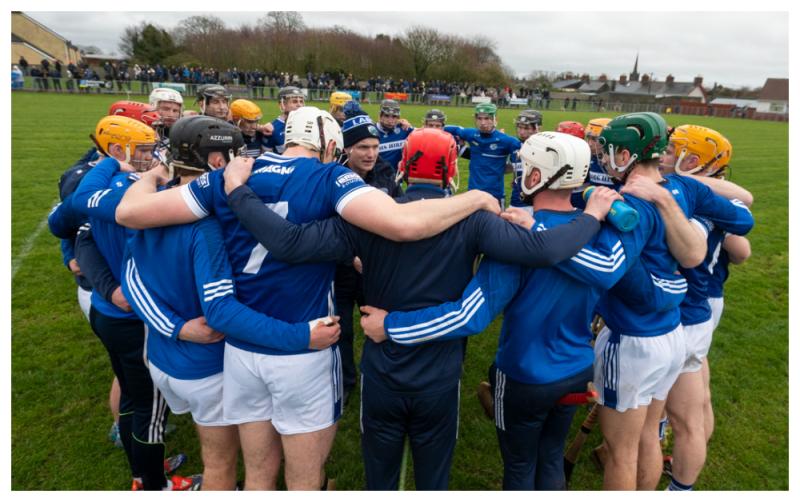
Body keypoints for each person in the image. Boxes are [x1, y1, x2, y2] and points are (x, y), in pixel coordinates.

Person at [114, 106, 502, 490]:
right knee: (304, 481)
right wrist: (475, 199)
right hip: (304, 346)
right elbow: (405, 224)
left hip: (241, 346)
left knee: (259, 476)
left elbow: (129, 213)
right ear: (331, 145)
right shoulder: (330, 176)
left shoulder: (234, 173)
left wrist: (151, 176)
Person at [220, 127, 616, 490]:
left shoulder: (365, 218)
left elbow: (290, 242)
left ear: (405, 165)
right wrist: (592, 216)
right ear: (450, 172)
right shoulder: (475, 221)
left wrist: (238, 191)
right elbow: (544, 250)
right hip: (439, 374)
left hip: (383, 371)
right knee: (432, 481)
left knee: (380, 478)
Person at [361, 132, 635, 490]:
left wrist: (392, 325)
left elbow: (469, 316)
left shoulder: (514, 233)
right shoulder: (599, 229)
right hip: (577, 367)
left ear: (535, 177)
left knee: (520, 466)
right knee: (551, 457)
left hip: (525, 373)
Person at [120, 115, 340, 490]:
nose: (247, 161)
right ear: (219, 163)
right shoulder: (209, 228)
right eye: (238, 155)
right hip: (210, 363)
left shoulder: (150, 211)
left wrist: (169, 326)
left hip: (163, 356)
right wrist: (300, 337)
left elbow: (131, 280)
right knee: (222, 464)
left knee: (245, 465)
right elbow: (221, 311)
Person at [592, 112, 753, 490]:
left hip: (635, 334)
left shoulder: (629, 204)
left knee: (622, 451)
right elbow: (743, 223)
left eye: (609, 152)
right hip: (671, 332)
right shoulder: (687, 188)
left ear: (628, 153)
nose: (603, 159)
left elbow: (607, 270)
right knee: (650, 434)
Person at [71, 115, 200, 490]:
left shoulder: (97, 182)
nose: (150, 156)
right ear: (116, 149)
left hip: (106, 311)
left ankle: (140, 471)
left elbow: (74, 217)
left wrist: (115, 163)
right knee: (149, 409)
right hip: (135, 319)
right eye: (142, 150)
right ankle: (154, 483)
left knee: (131, 398)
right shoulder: (141, 196)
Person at [654, 124, 754, 491]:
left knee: (678, 412)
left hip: (688, 308)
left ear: (692, 160)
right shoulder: (691, 192)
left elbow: (741, 240)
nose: (662, 156)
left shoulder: (700, 196)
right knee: (695, 396)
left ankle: (674, 472)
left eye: (670, 151)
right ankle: (679, 470)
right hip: (696, 307)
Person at [333, 115, 403, 403]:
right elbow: (320, 228)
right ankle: (345, 381)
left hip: (374, 270)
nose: (371, 154)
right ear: (347, 149)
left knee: (378, 326)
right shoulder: (330, 177)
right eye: (363, 147)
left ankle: (381, 378)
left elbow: (400, 214)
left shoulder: (385, 173)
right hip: (338, 270)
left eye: (375, 146)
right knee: (341, 331)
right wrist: (349, 256)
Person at [445, 103, 521, 209]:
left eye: (487, 118)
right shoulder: (471, 134)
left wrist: (512, 174)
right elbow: (450, 129)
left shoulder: (508, 141)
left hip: (495, 195)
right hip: (472, 194)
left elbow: (520, 165)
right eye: (479, 118)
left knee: (495, 225)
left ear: (495, 119)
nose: (483, 122)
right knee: (472, 224)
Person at [508, 110, 542, 215]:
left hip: (536, 204)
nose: (522, 132)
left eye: (526, 128)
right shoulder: (515, 145)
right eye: (520, 127)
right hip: (516, 201)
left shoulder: (544, 148)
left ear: (537, 128)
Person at [263, 86, 305, 154]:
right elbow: (266, 158)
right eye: (294, 101)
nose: (299, 105)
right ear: (282, 104)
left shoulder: (308, 124)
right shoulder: (272, 128)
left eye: (301, 101)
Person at [375, 99, 413, 171]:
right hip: (375, 178)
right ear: (380, 115)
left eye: (394, 116)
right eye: (386, 116)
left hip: (396, 179)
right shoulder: (371, 131)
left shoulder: (404, 129)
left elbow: (426, 135)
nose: (390, 120)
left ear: (398, 118)